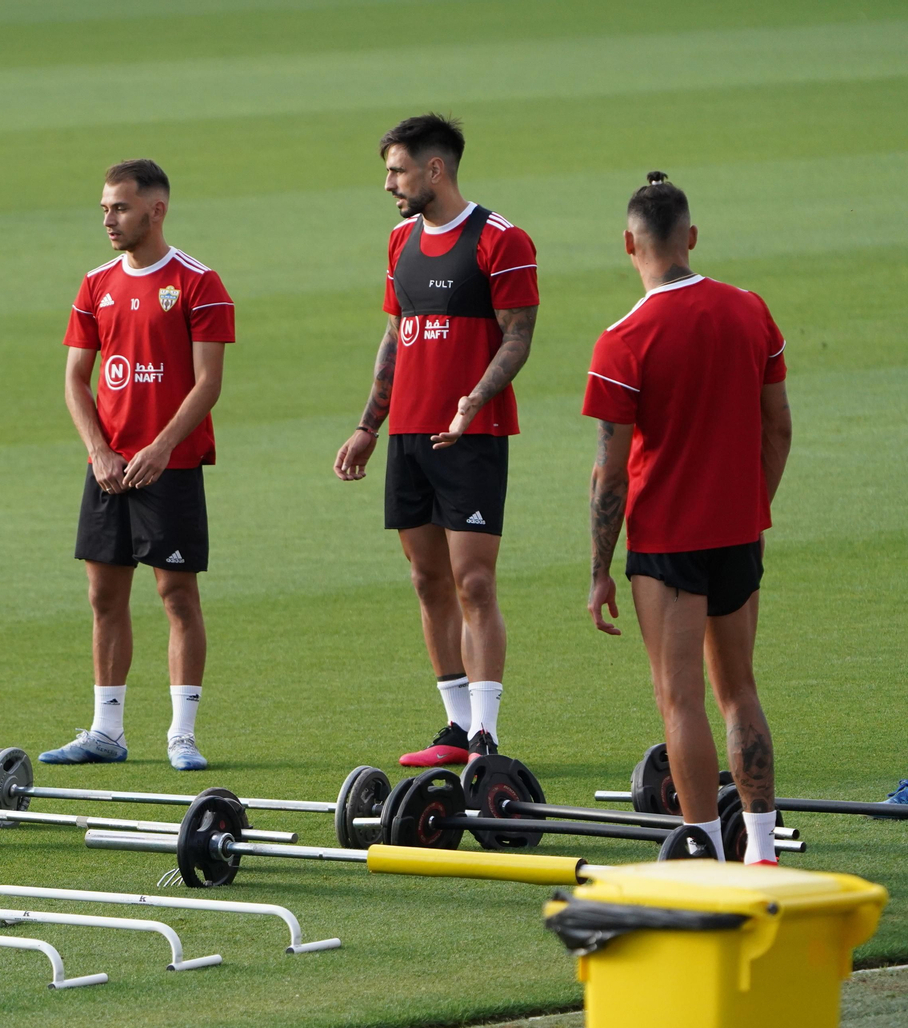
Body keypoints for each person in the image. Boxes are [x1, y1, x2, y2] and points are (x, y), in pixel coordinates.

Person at [584, 172, 792, 865]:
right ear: (691, 237)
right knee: (740, 693)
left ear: (628, 243)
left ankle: (702, 852)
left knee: (681, 703)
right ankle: (761, 851)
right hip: (739, 536)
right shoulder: (750, 311)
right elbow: (778, 429)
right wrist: (749, 506)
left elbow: (609, 474)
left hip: (666, 546)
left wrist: (598, 571)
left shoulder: (622, 340)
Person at [333, 114, 539, 767]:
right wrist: (370, 424)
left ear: (434, 169)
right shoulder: (399, 242)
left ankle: (486, 733)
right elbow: (396, 335)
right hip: (410, 435)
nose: (389, 184)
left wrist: (475, 399)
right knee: (427, 580)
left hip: (472, 436)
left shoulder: (500, 240)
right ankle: (455, 728)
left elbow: (517, 334)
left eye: (396, 171)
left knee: (473, 582)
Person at [45, 159, 235, 771]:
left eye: (120, 207)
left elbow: (207, 384)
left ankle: (182, 734)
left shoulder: (199, 282)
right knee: (104, 596)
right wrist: (99, 449)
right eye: (104, 208)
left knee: (177, 595)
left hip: (170, 468)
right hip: (109, 467)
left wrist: (160, 448)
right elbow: (76, 380)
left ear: (157, 210)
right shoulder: (95, 283)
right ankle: (106, 731)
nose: (108, 218)